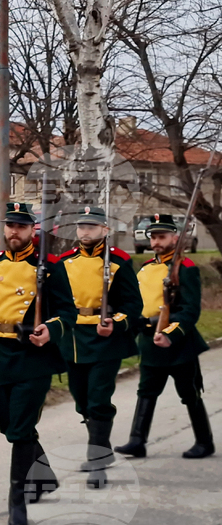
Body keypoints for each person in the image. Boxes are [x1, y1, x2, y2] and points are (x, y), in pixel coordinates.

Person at [0, 202, 76, 525]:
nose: (14, 232)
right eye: (10, 225)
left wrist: (51, 329)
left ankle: (17, 505)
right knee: (10, 428)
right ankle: (44, 477)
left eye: (21, 226)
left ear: (32, 230)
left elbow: (68, 313)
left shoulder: (49, 266)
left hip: (33, 357)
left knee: (21, 431)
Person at [115, 213, 213, 459]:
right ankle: (137, 441)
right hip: (149, 342)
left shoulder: (186, 268)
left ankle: (204, 442)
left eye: (162, 236)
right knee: (146, 392)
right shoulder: (146, 268)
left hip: (179, 345)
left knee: (189, 393)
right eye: (153, 237)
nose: (156, 242)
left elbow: (190, 310)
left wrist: (170, 333)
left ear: (174, 238)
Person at [58, 206, 142, 488]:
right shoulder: (65, 261)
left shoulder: (118, 261)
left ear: (105, 230)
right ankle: (102, 449)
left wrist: (115, 323)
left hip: (105, 339)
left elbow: (133, 305)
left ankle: (97, 461)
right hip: (73, 337)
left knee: (98, 400)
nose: (85, 231)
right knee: (81, 400)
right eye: (82, 226)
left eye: (92, 227)